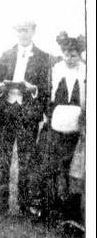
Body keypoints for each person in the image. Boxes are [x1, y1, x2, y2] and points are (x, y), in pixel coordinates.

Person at [0, 20, 52, 215]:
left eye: (26, 31)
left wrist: (32, 88)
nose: (22, 34)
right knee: (2, 158)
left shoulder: (43, 57)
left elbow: (45, 88)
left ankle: (24, 203)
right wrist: (3, 86)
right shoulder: (7, 54)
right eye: (19, 31)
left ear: (33, 31)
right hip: (6, 113)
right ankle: (0, 203)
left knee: (26, 160)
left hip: (27, 115)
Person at [30, 32, 86, 223]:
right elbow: (46, 95)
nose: (69, 58)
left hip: (77, 131)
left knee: (72, 170)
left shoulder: (86, 72)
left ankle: (70, 213)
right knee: (49, 167)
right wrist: (49, 116)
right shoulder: (55, 69)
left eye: (73, 54)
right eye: (66, 53)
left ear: (80, 54)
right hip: (54, 127)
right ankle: (46, 209)